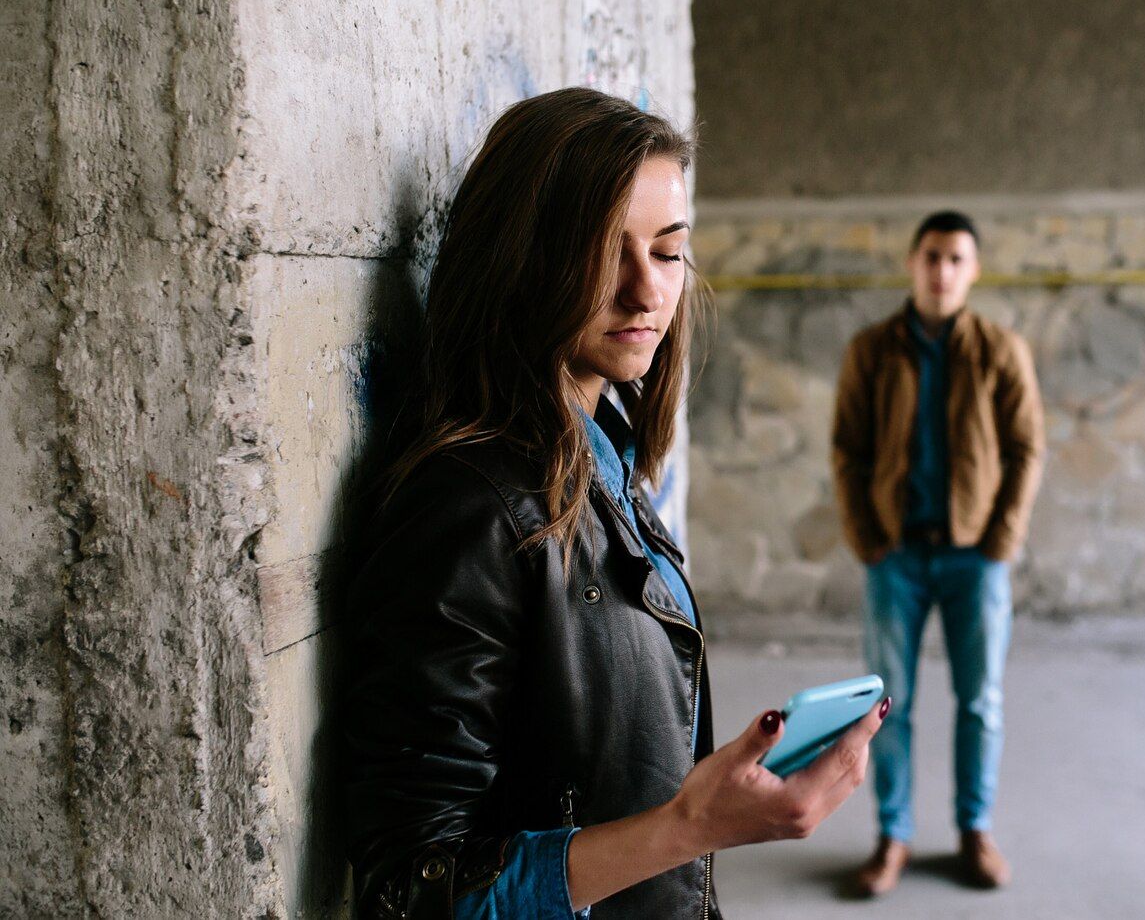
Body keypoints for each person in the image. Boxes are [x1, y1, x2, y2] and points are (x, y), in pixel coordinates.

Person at [342, 88, 887, 920]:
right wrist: (687, 826)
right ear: (519, 259)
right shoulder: (469, 508)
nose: (644, 293)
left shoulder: (610, 458)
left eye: (668, 253)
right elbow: (411, 889)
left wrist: (711, 798)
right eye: (604, 255)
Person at [831, 210, 1045, 896]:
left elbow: (1025, 450)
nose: (942, 270)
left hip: (975, 558)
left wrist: (1001, 540)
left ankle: (973, 831)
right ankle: (892, 837)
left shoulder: (1000, 349)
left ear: (973, 270)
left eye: (956, 258)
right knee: (888, 704)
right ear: (912, 262)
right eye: (932, 256)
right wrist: (867, 539)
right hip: (896, 557)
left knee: (980, 699)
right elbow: (847, 450)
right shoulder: (871, 350)